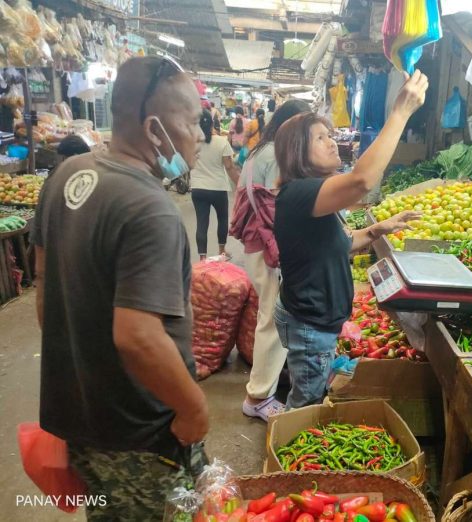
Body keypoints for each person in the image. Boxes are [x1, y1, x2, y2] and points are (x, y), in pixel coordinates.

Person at [31, 56, 209, 520]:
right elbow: (138, 336)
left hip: (85, 419)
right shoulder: (149, 208)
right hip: (142, 436)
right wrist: (192, 409)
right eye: (192, 122)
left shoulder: (66, 176)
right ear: (155, 130)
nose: (200, 136)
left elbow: (46, 292)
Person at [273, 71, 428, 409]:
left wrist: (375, 230)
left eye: (331, 135)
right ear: (298, 152)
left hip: (314, 321)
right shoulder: (299, 193)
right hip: (310, 324)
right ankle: (289, 456)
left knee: (310, 394)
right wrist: (400, 113)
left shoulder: (315, 196)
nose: (332, 142)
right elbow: (362, 180)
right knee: (306, 405)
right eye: (320, 138)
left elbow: (336, 244)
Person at [238, 99, 311, 421]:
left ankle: (270, 381)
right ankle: (258, 397)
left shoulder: (260, 151)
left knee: (272, 315)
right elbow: (282, 207)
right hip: (270, 248)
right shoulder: (276, 154)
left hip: (257, 245)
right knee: (273, 319)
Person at [191, 109, 239, 260]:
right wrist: (240, 185)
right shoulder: (221, 142)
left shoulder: (192, 142)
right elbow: (230, 167)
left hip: (198, 188)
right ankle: (222, 252)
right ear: (213, 123)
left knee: (201, 223)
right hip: (218, 188)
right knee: (222, 219)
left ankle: (202, 259)